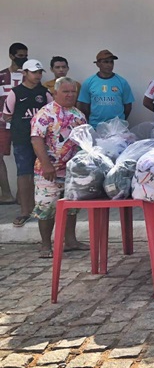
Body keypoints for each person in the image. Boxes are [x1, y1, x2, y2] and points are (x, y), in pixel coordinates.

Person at [30, 77, 88, 257]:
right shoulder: (45, 114)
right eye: (66, 91)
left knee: (71, 206)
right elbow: (36, 139)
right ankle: (46, 245)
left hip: (71, 170)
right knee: (46, 206)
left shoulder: (79, 115)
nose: (70, 95)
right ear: (55, 93)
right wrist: (47, 165)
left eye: (73, 91)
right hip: (48, 171)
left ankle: (70, 241)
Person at [3, 60, 53, 228]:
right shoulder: (15, 93)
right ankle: (25, 211)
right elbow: (7, 115)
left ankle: (45, 210)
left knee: (45, 173)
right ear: (24, 73)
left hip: (43, 141)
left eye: (40, 72)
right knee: (24, 174)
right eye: (34, 72)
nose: (38, 75)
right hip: (22, 139)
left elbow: (52, 114)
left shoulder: (44, 93)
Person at [0, 42, 28, 205]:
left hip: (23, 123)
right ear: (11, 56)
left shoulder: (29, 75)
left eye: (25, 55)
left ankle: (22, 195)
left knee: (24, 157)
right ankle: (6, 193)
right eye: (20, 56)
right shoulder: (1, 75)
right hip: (2, 123)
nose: (23, 59)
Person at [77, 50, 134, 128]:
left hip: (117, 128)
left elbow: (128, 106)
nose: (109, 65)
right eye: (106, 62)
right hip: (95, 126)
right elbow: (83, 106)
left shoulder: (122, 82)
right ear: (98, 64)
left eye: (111, 62)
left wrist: (119, 122)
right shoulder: (89, 82)